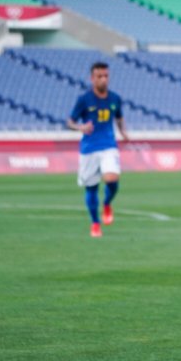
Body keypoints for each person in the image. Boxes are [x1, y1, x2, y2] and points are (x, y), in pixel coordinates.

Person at [66, 62, 129, 239]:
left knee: (112, 178)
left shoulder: (115, 98)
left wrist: (123, 132)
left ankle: (107, 203)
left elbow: (119, 117)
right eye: (99, 76)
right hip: (89, 149)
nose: (103, 79)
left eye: (106, 76)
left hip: (109, 145)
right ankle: (95, 223)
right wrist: (80, 127)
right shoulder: (84, 100)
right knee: (91, 188)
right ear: (92, 78)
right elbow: (69, 122)